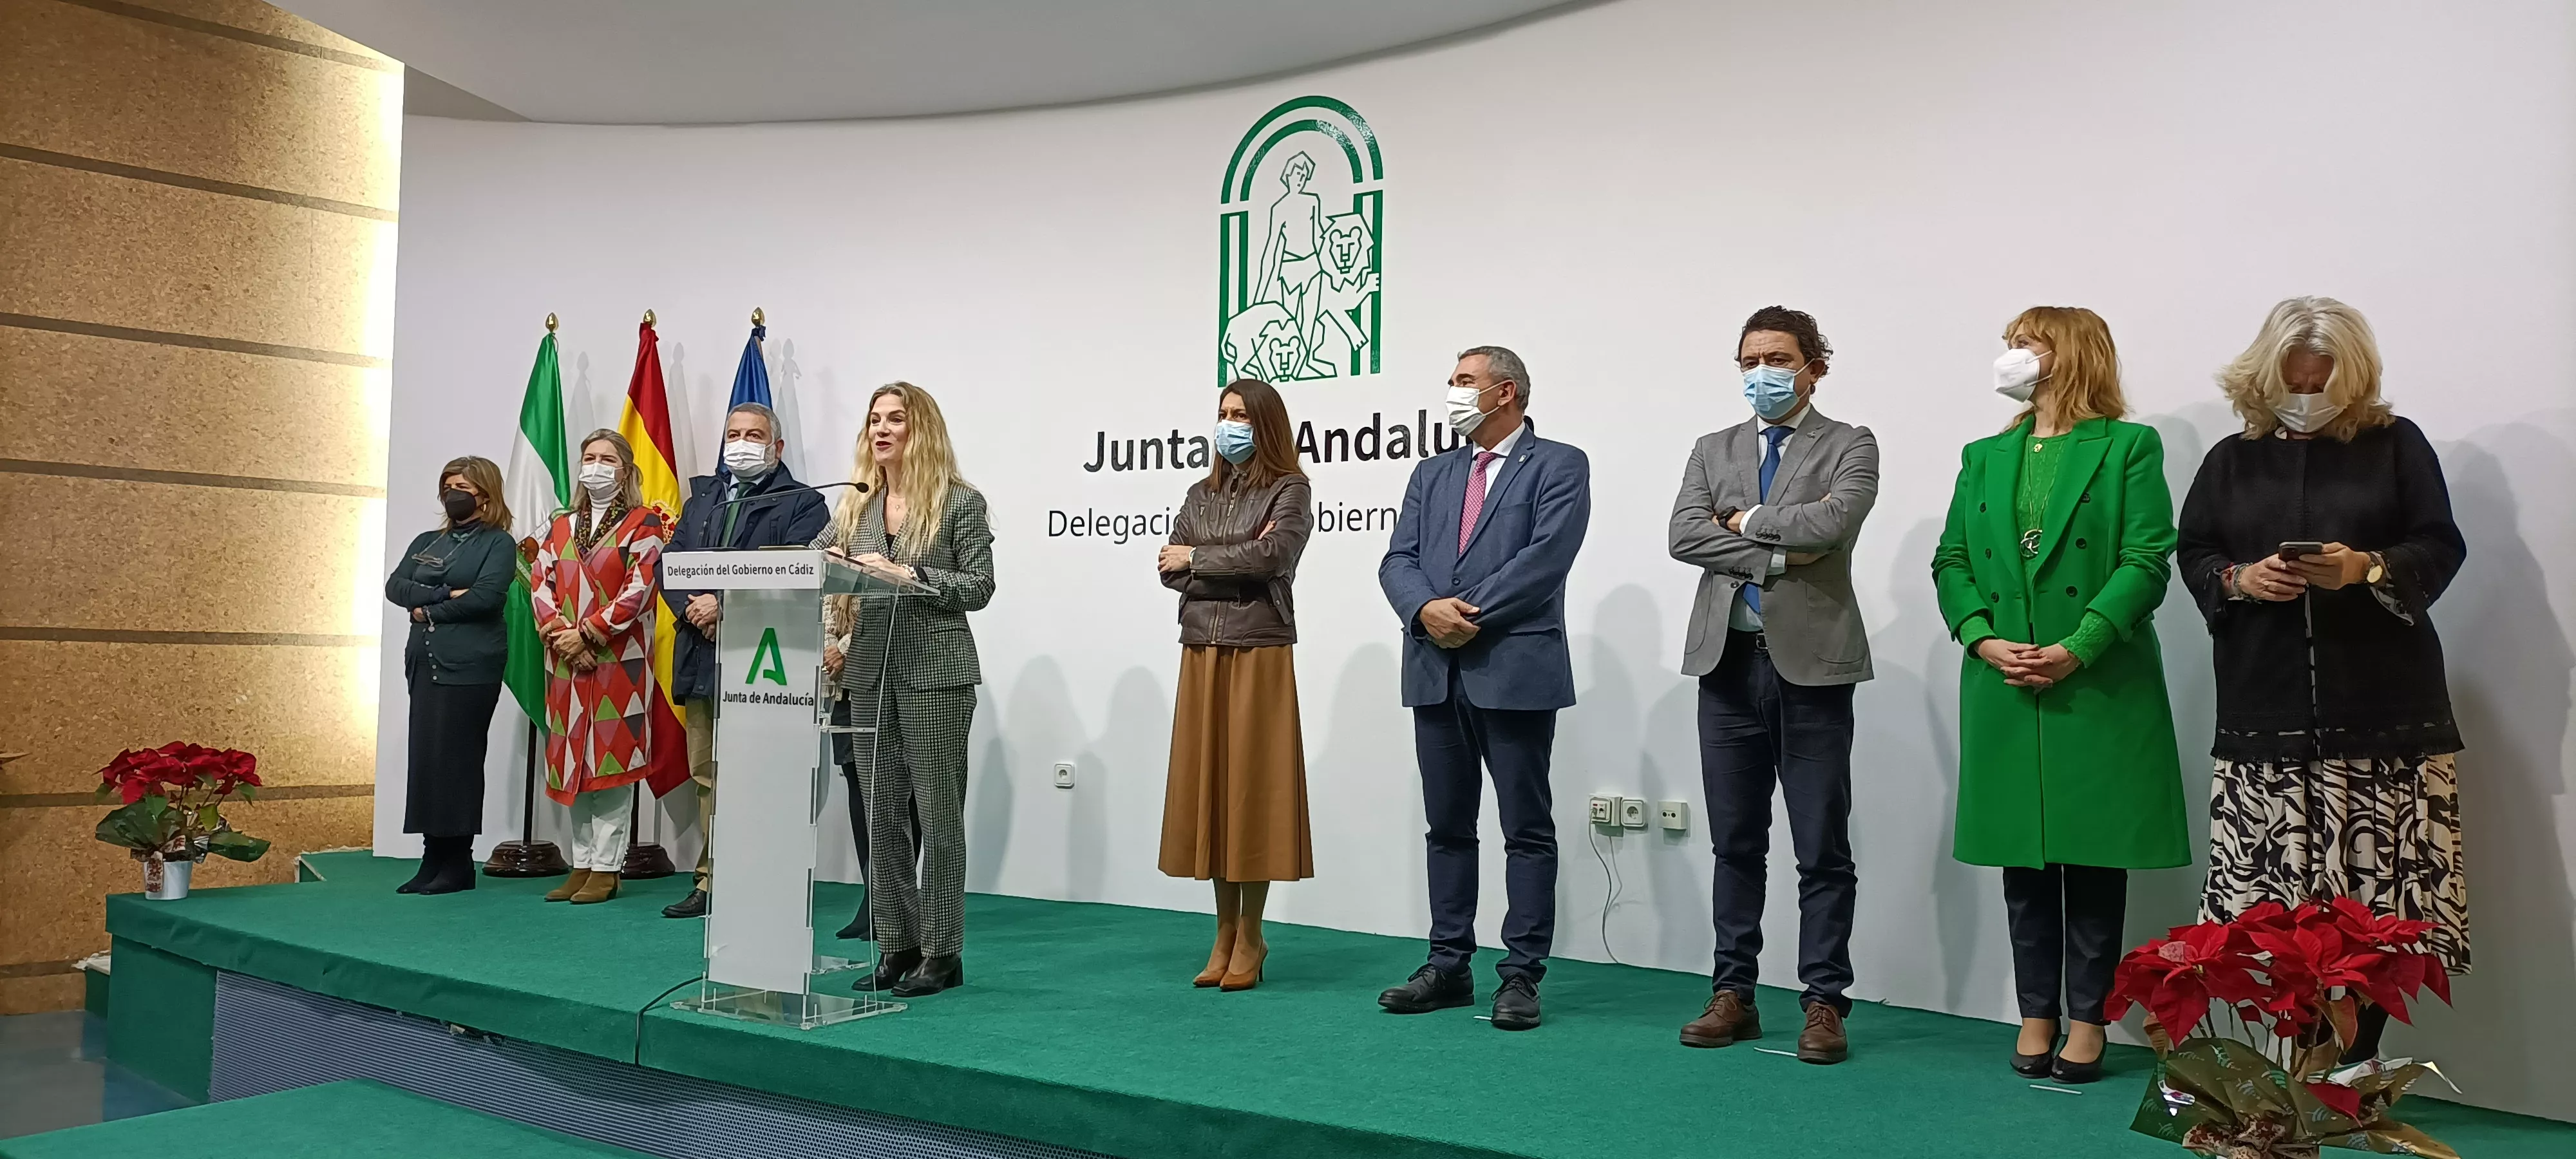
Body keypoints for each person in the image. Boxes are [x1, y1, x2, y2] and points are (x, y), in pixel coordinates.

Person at [2178, 297, 2468, 1064]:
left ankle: (2359, 1059)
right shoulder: (2228, 460)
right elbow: (2195, 553)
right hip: (2262, 713)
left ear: (2354, 374)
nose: (2306, 393)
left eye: (2322, 378)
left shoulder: (2396, 446)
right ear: (2265, 373)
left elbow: (2439, 545)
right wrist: (2242, 580)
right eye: (2294, 377)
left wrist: (2365, 567)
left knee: (2377, 902)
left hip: (2382, 714)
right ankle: (2297, 1058)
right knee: (2274, 903)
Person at [1929, 306, 2190, 1084]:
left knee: (2093, 861)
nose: (2010, 356)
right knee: (2024, 863)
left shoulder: (2128, 447)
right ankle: (2033, 1011)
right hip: (2006, 678)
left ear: (2068, 353)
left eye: (2025, 343)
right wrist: (1980, 635)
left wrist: (2079, 646)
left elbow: (2147, 558)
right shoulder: (1982, 454)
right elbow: (1950, 560)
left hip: (2096, 681)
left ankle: (2088, 1019)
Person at [1667, 306, 1879, 1064]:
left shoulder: (1850, 443)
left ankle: (1824, 1002)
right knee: (1735, 844)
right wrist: (1775, 554)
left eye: (1780, 358)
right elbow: (1683, 535)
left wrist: (1747, 521)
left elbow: (1836, 522)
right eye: (1751, 359)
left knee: (1821, 847)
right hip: (1724, 666)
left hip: (1814, 667)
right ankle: (1734, 993)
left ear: (1813, 367)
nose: (1763, 372)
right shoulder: (1711, 447)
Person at [1376, 346, 1591, 1032]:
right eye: (1451, 380)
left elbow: (1546, 559)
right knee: (1447, 826)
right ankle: (1447, 964)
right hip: (1435, 671)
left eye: (1463, 381)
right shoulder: (1432, 472)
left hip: (1513, 669)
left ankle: (1521, 974)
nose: (1451, 391)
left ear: (1505, 393)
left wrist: (1463, 613)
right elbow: (1398, 558)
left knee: (1525, 829)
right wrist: (1422, 611)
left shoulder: (1559, 463)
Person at [814, 382, 996, 998]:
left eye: (896, 419)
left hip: (935, 678)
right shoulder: (856, 508)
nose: (882, 430)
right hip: (869, 674)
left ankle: (944, 953)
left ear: (923, 430)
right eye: (874, 421)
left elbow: (978, 586)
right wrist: (820, 564)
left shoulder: (958, 503)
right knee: (882, 814)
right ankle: (897, 945)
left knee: (939, 818)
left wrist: (910, 575)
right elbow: (808, 565)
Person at [1156, 378, 1316, 992]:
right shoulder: (1200, 491)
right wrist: (1213, 558)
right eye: (1223, 414)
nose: (1229, 424)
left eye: (1241, 415)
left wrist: (1199, 559)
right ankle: (1223, 930)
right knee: (1214, 793)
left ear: (1266, 424)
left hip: (1259, 649)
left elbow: (1274, 556)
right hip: (1202, 649)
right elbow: (1169, 567)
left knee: (1253, 791)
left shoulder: (1290, 488)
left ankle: (1252, 933)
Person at [657, 402, 831, 919]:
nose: (742, 442)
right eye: (733, 433)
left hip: (765, 659)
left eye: (754, 434)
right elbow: (673, 563)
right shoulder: (702, 499)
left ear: (776, 447)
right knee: (708, 773)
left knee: (762, 774)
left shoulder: (803, 503)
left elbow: (795, 572)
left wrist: (725, 603)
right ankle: (712, 882)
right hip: (701, 651)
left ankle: (762, 880)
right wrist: (695, 607)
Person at [531, 429, 668, 905]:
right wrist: (565, 639)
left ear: (626, 470)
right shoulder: (560, 526)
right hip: (569, 666)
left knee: (610, 768)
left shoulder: (643, 524)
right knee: (575, 766)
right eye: (589, 457)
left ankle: (608, 870)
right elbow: (540, 586)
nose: (596, 466)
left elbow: (639, 591)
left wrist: (588, 634)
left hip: (618, 664)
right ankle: (582, 863)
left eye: (607, 459)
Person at [384, 456, 518, 895]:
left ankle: (458, 861)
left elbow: (485, 599)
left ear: (484, 493)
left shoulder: (498, 544)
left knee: (456, 761)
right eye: (448, 484)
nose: (453, 493)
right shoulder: (430, 540)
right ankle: (432, 856)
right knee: (428, 760)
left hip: (470, 666)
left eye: (462, 485)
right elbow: (395, 587)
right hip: (424, 663)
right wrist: (443, 593)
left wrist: (425, 608)